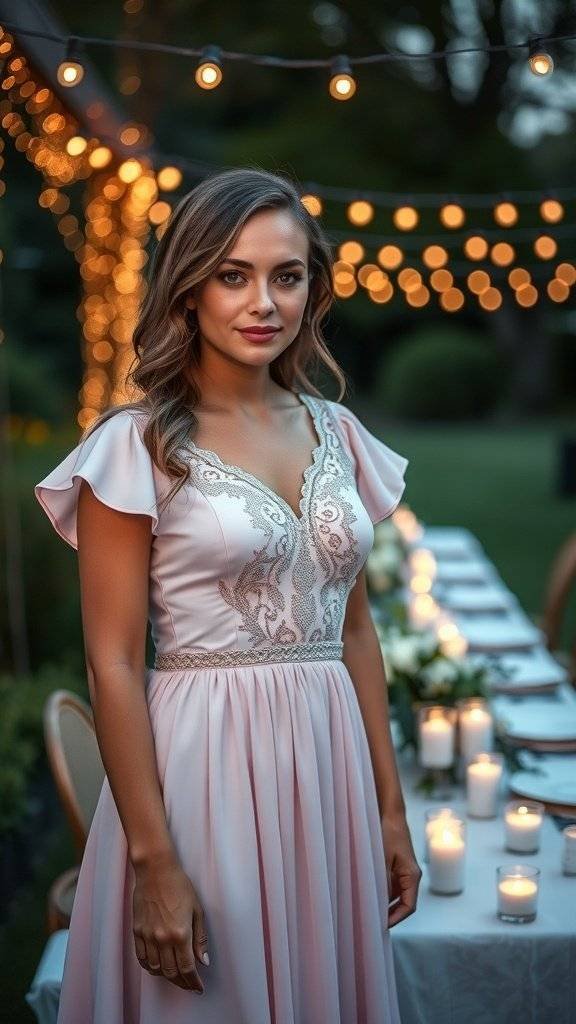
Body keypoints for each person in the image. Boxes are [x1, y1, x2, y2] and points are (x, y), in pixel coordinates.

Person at [35, 165, 421, 1023]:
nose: (264, 304)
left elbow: (357, 636)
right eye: (233, 274)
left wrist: (390, 813)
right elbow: (112, 662)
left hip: (329, 775)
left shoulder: (339, 432)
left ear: (312, 288)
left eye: (287, 276)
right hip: (201, 774)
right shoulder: (136, 448)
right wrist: (152, 859)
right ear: (190, 288)